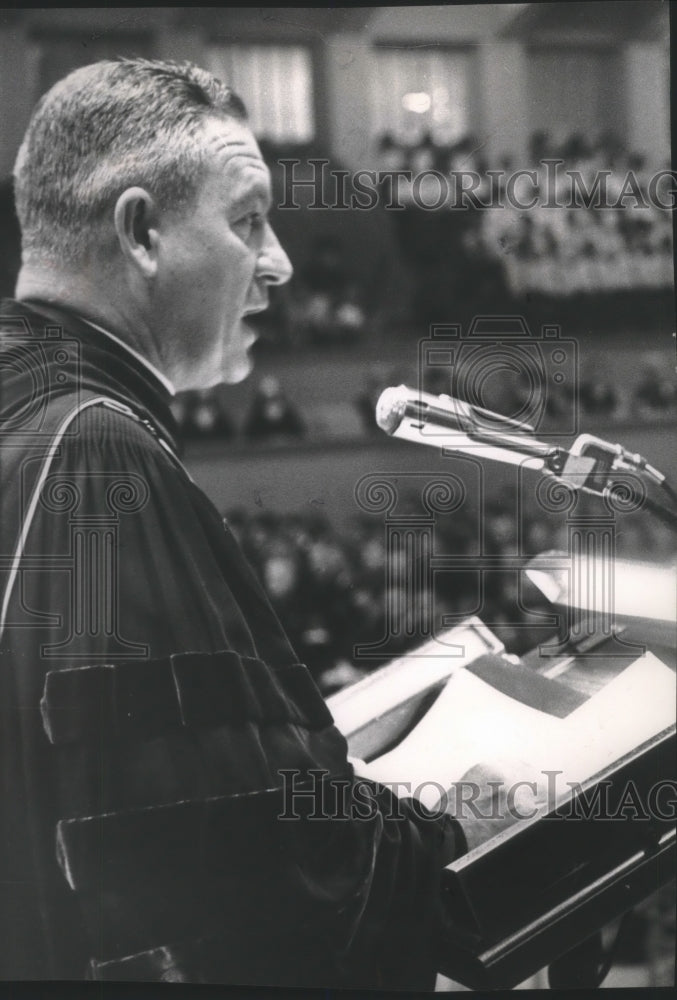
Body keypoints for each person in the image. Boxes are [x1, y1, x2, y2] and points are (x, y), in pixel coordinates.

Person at [0, 58, 533, 987]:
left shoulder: (32, 403)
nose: (279, 261)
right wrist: (452, 829)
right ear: (142, 232)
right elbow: (219, 874)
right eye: (247, 220)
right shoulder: (95, 457)